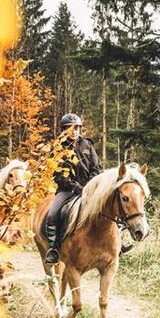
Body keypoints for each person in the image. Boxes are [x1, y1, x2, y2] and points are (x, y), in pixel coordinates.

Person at [43, 113, 101, 264]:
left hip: (90, 189)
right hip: (66, 191)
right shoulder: (58, 148)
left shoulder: (87, 145)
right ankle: (53, 248)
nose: (74, 131)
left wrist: (90, 186)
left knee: (110, 206)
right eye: (70, 128)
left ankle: (118, 245)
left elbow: (96, 168)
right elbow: (57, 174)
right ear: (64, 130)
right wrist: (75, 187)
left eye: (77, 128)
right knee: (52, 214)